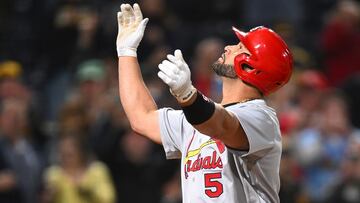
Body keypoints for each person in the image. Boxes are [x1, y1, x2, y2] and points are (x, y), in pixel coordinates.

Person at [116, 3, 292, 203]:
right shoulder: (198, 117)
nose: (229, 47)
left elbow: (222, 125)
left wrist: (188, 95)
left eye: (240, 47)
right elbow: (142, 118)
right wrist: (126, 53)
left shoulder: (261, 118)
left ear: (250, 67)